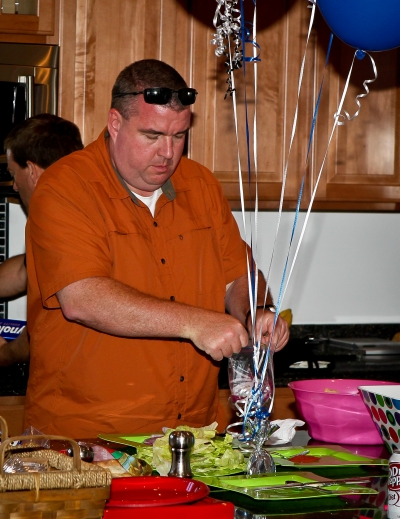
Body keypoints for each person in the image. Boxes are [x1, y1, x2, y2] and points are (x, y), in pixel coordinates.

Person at [25, 60, 289, 437]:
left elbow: (236, 276)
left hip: (193, 434)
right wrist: (195, 323)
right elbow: (82, 298)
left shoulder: (201, 185)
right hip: (88, 438)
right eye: (152, 135)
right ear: (115, 124)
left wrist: (256, 311)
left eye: (179, 136)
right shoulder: (65, 187)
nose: (168, 152)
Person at [0, 114, 84, 366]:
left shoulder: (58, 221)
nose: (15, 186)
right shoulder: (76, 203)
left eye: (14, 174)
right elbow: (25, 270)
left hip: (74, 374)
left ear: (32, 171)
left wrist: (3, 353)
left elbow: (43, 330)